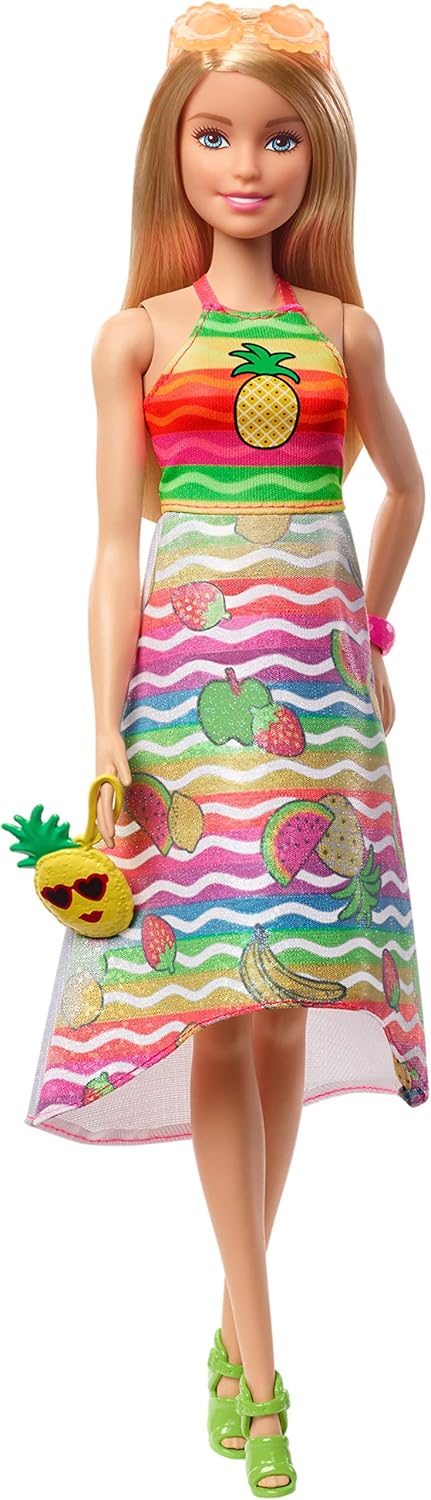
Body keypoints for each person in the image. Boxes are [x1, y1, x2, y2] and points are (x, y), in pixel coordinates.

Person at [22, 5, 428, 1493]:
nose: (247, 165)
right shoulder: (139, 337)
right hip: (189, 707)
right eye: (215, 137)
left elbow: (405, 492)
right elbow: (112, 547)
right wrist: (104, 724)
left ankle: (231, 1329)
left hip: (316, 710)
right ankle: (260, 1370)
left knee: (283, 1000)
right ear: (173, 154)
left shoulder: (343, 333)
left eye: (277, 139)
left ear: (316, 160)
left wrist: (366, 634)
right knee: (217, 1004)